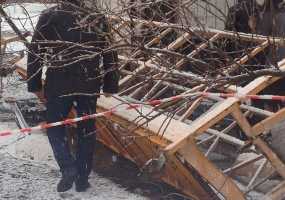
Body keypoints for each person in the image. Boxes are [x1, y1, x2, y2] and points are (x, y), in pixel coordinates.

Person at [27, 0, 119, 192]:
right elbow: (110, 53)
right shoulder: (96, 18)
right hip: (89, 82)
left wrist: (35, 85)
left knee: (54, 127)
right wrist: (111, 84)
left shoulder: (50, 16)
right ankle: (82, 177)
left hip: (59, 84)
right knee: (87, 129)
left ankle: (68, 167)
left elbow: (35, 52)